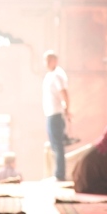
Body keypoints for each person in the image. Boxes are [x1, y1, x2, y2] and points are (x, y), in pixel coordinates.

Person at [42, 50, 70, 180]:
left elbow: (64, 93)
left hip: (56, 114)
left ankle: (60, 174)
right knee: (54, 144)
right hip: (50, 113)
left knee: (58, 145)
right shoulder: (50, 75)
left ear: (55, 61)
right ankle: (57, 173)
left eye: (49, 60)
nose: (47, 63)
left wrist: (67, 110)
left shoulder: (58, 75)